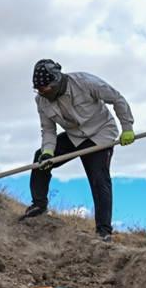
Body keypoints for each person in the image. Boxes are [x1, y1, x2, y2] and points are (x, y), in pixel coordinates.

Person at [21, 59, 136, 242]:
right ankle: (39, 206)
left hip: (100, 133)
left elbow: (117, 99)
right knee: (39, 158)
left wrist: (127, 127)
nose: (41, 92)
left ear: (56, 82)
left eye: (44, 88)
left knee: (99, 178)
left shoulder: (86, 82)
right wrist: (48, 152)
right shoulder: (41, 100)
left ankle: (103, 232)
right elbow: (48, 129)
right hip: (75, 136)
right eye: (38, 89)